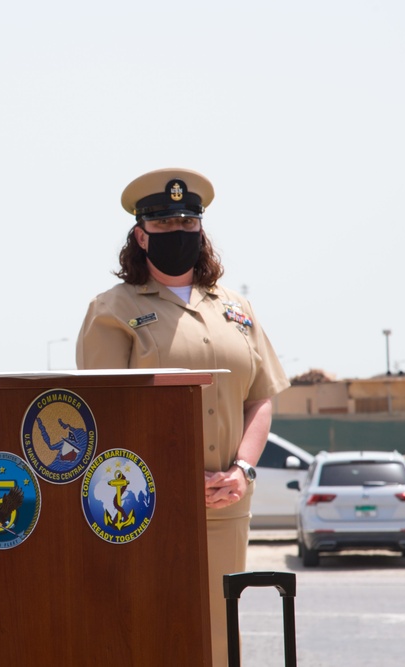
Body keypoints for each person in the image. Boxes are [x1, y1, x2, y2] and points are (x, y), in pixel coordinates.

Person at [75, 168, 289, 666]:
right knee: (152, 631)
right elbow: (106, 415)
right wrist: (171, 481)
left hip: (225, 503)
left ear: (201, 230)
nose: (178, 234)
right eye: (164, 224)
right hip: (146, 506)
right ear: (140, 235)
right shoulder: (112, 310)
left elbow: (259, 399)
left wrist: (242, 472)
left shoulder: (237, 309)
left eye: (186, 223)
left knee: (219, 634)